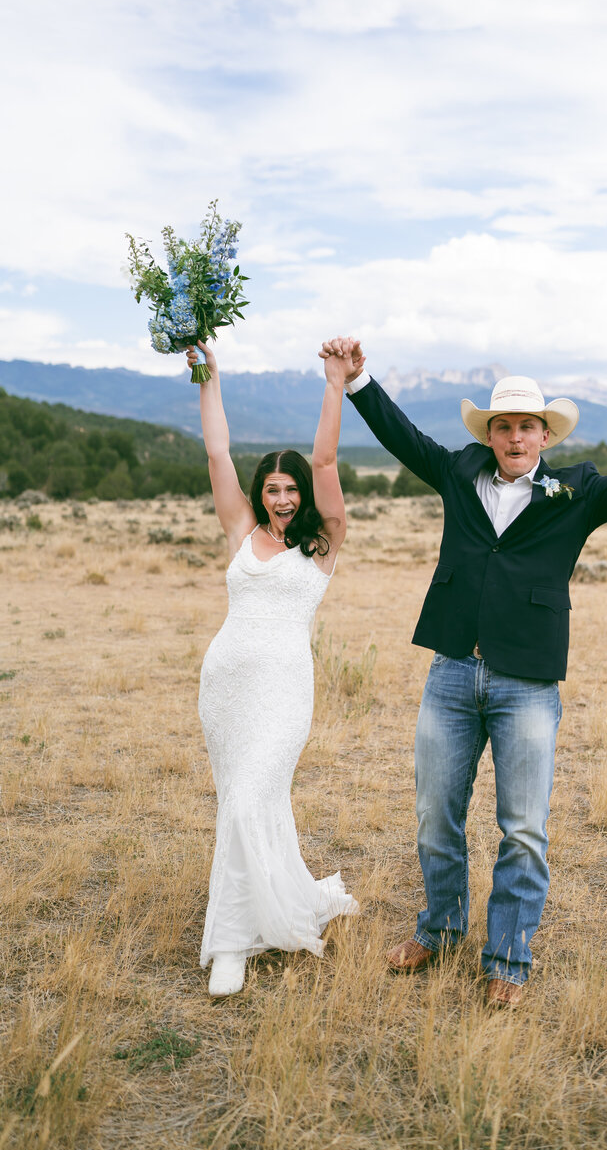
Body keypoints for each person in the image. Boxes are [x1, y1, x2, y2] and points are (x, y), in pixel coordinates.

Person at [320, 336, 607, 1007]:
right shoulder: (460, 472)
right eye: (504, 425)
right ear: (489, 434)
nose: (515, 435)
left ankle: (508, 958)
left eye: (527, 425)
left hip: (526, 683)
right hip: (452, 672)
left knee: (523, 827)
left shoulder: (574, 491)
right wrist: (358, 381)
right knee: (437, 815)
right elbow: (404, 439)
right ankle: (437, 931)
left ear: (544, 435)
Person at [188, 338, 359, 997]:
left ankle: (230, 941)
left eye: (292, 489)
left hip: (284, 693)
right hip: (226, 687)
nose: (284, 498)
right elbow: (217, 451)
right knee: (241, 803)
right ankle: (261, 907)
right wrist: (210, 377)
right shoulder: (241, 529)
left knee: (252, 796)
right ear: (261, 492)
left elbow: (325, 457)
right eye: (274, 488)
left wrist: (335, 385)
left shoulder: (324, 542)